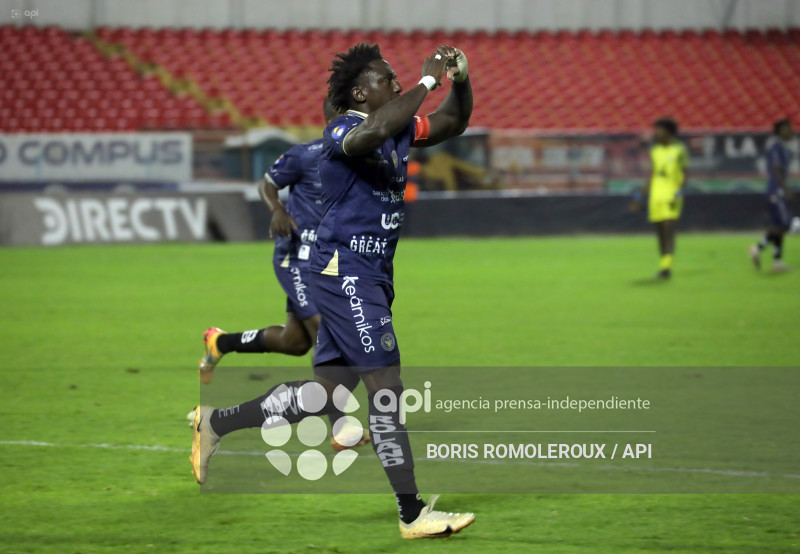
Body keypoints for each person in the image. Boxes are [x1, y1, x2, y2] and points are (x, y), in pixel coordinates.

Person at [188, 42, 475, 539]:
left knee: (326, 396)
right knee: (385, 388)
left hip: (367, 274)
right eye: (389, 79)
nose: (398, 83)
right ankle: (412, 514)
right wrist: (429, 82)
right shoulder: (343, 131)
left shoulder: (396, 125)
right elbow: (376, 129)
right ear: (361, 92)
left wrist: (462, 81)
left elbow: (453, 123)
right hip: (348, 275)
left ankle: (215, 423)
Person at [196, 100, 367, 450]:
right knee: (325, 328)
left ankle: (220, 342)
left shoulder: (360, 156)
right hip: (296, 257)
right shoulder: (305, 155)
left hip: (327, 261)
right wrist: (276, 209)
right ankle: (341, 426)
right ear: (336, 119)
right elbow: (268, 185)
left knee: (295, 342)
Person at [637, 117, 688, 279]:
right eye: (656, 129)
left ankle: (666, 267)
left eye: (660, 129)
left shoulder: (679, 150)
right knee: (659, 231)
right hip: (656, 195)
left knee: (668, 229)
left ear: (669, 132)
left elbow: (685, 174)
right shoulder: (655, 150)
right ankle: (663, 264)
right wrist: (640, 196)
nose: (657, 133)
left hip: (672, 195)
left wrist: (679, 193)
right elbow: (653, 174)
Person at [750, 118, 795, 272]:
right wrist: (785, 188)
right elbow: (776, 169)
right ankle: (758, 247)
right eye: (789, 128)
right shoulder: (775, 146)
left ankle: (777, 262)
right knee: (785, 224)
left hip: (776, 190)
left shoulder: (781, 147)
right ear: (781, 129)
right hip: (775, 191)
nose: (792, 131)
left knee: (779, 226)